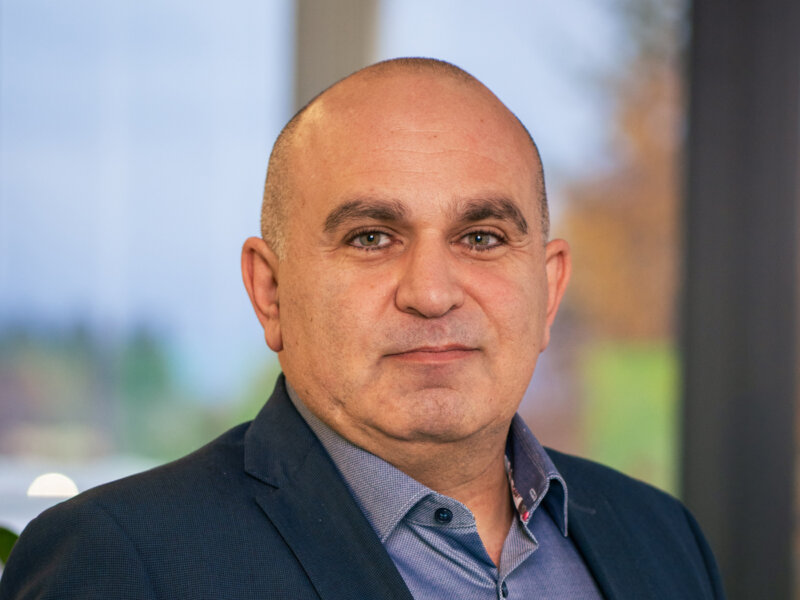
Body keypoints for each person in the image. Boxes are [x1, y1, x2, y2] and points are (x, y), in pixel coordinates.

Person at [0, 58, 724, 599]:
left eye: (481, 238)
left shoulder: (662, 537)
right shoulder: (124, 561)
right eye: (371, 237)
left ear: (549, 289)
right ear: (271, 292)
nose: (432, 294)